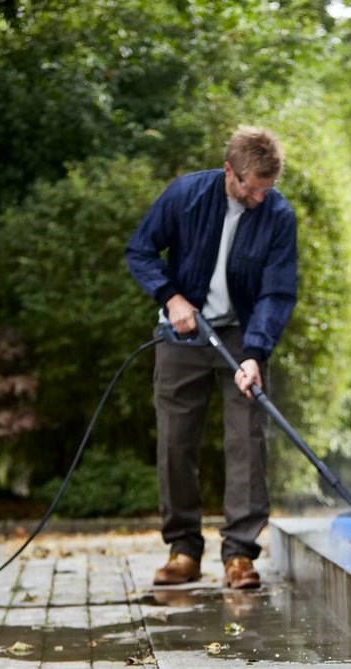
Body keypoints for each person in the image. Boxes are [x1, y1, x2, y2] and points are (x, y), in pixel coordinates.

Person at [126, 126, 297, 590]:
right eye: (252, 188)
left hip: (242, 333)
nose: (259, 198)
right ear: (229, 172)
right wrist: (171, 297)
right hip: (183, 332)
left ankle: (239, 554)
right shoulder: (186, 195)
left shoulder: (278, 215)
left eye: (267, 189)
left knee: (247, 439)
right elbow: (141, 250)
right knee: (175, 440)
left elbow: (277, 292)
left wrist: (256, 353)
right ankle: (183, 550)